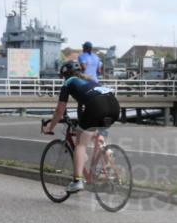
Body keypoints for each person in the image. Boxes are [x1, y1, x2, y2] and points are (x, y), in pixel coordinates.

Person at [41, 60, 120, 193]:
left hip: (97, 106)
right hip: (114, 106)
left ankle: (77, 181)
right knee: (95, 133)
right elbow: (84, 108)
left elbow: (60, 110)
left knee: (80, 144)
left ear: (64, 75)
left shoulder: (69, 83)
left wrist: (50, 127)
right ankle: (108, 161)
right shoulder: (90, 81)